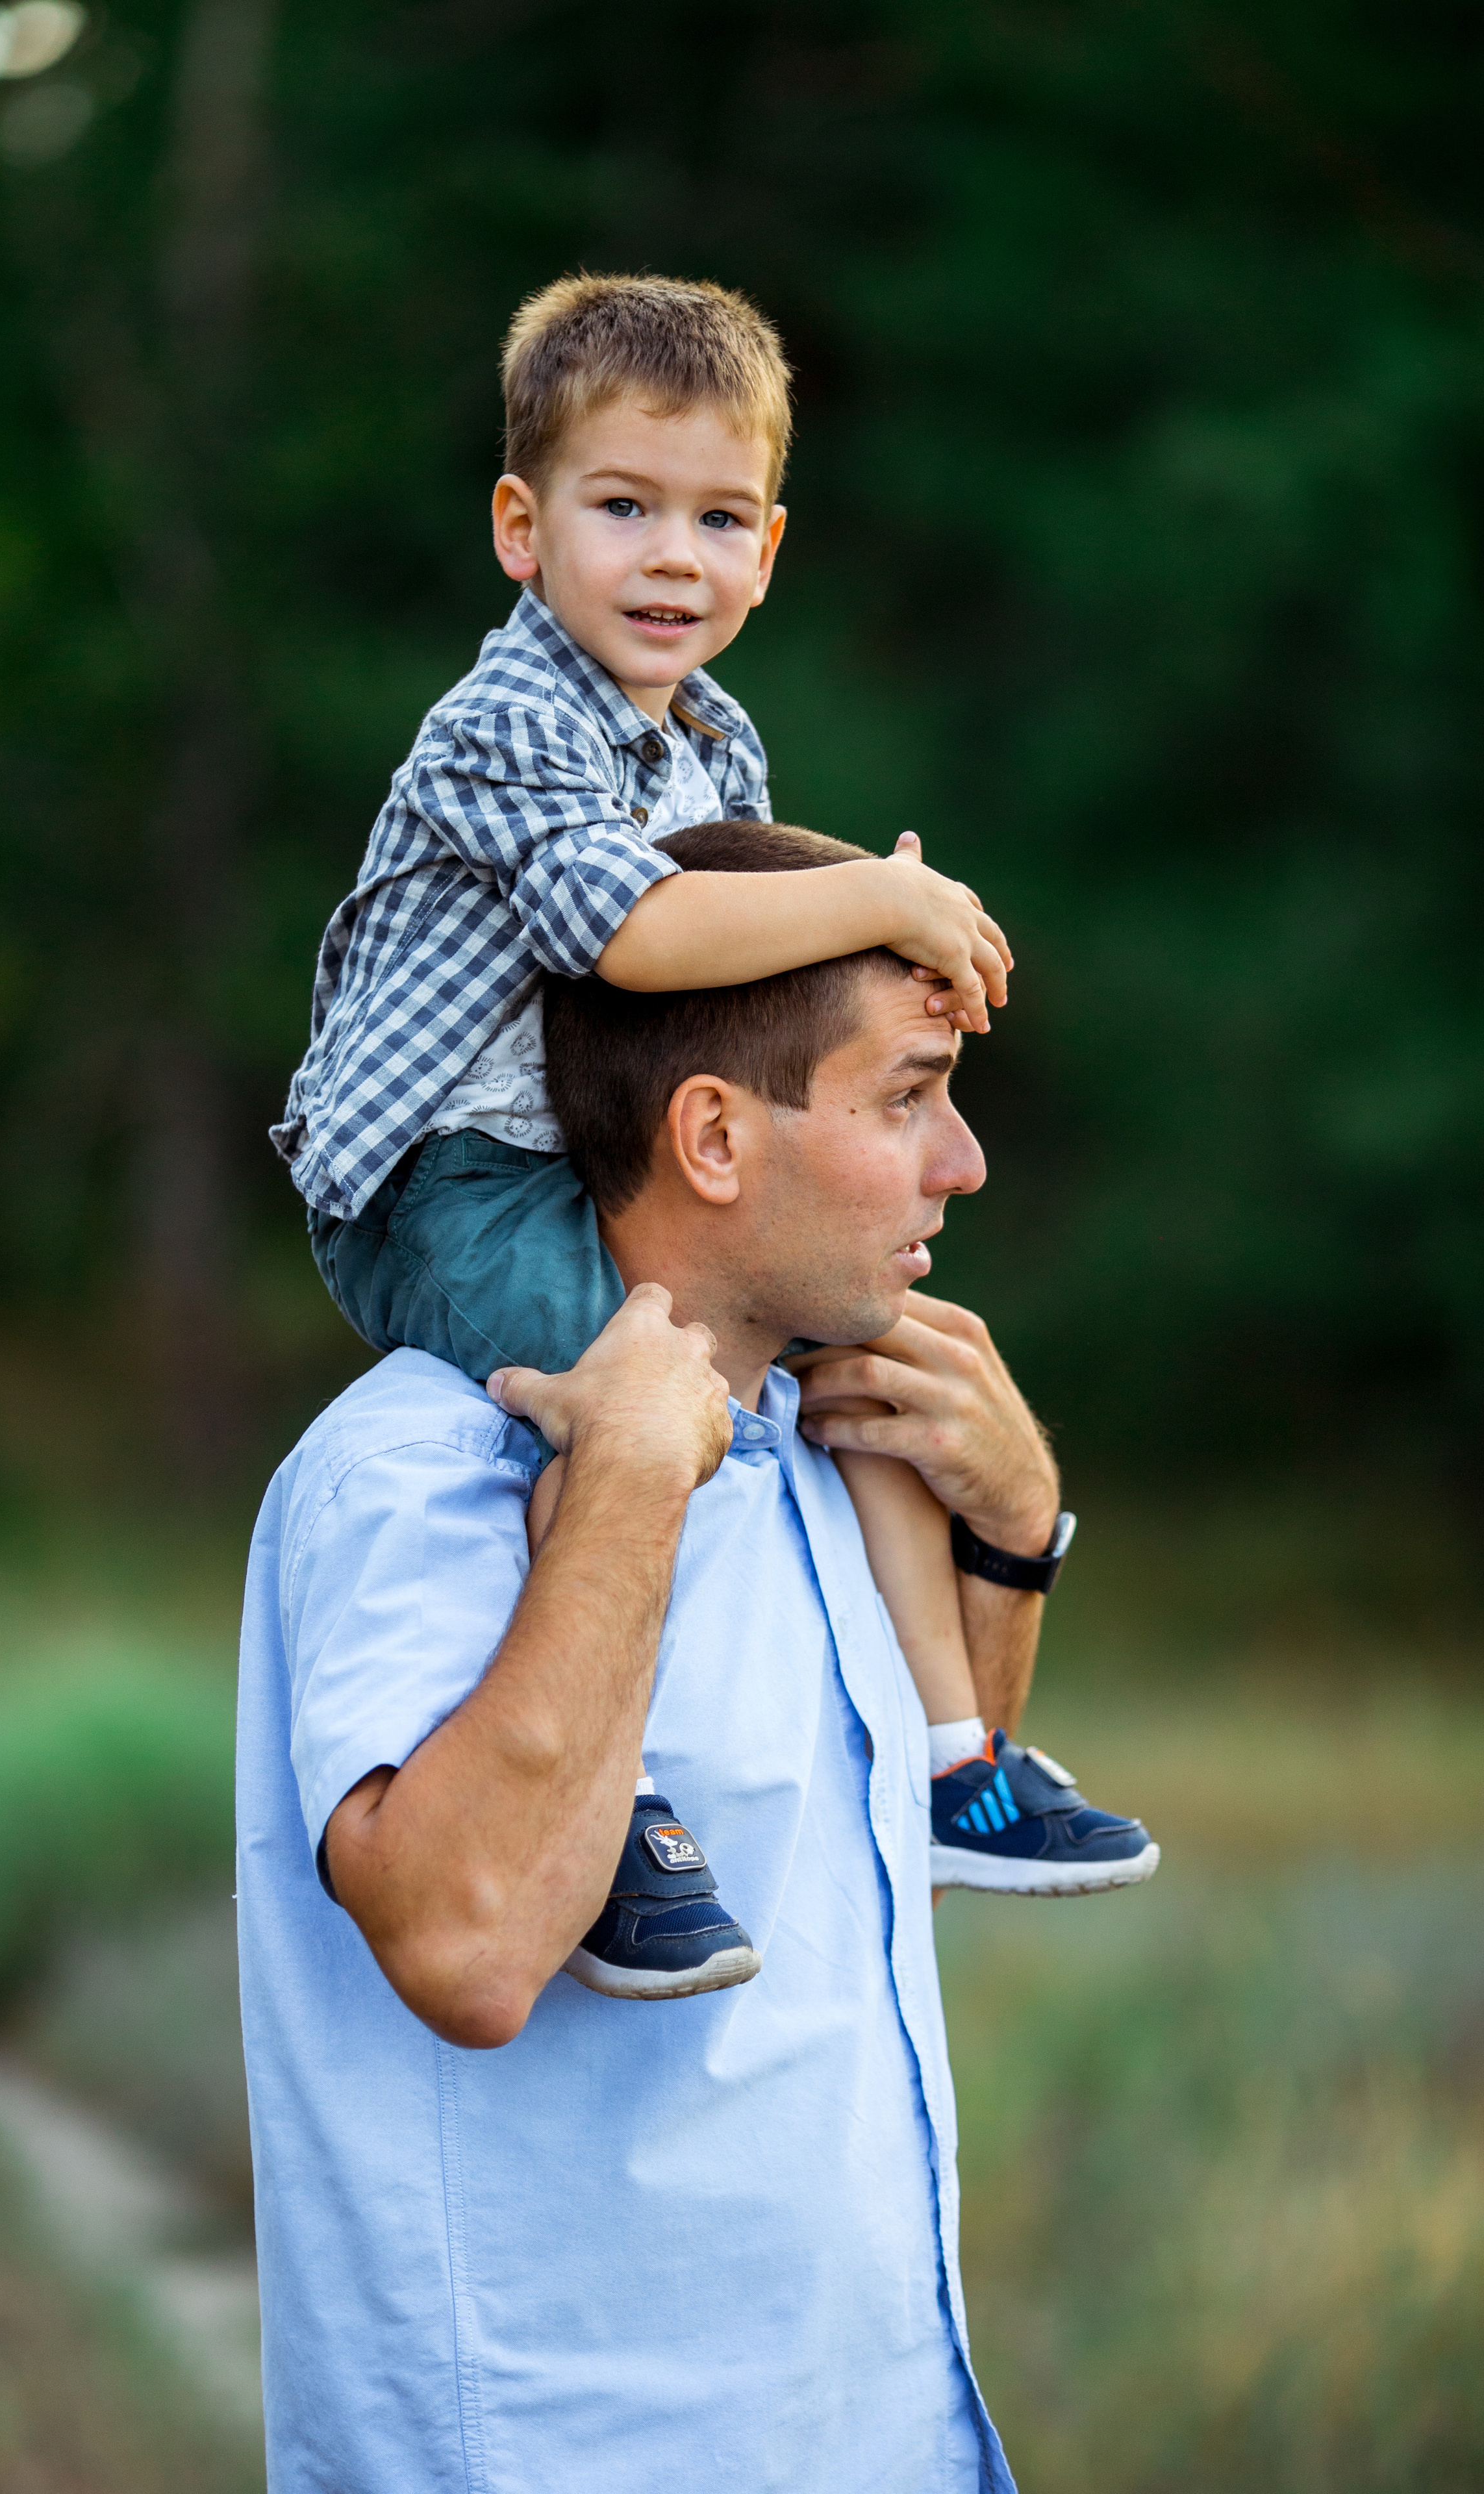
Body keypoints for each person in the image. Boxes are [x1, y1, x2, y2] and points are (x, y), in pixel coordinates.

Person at [236, 831, 1155, 2490]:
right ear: (714, 1136)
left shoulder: (816, 1452)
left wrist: (1009, 1538)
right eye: (906, 1097)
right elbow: (467, 1949)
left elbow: (870, 1861)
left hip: (881, 2432)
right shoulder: (419, 1474)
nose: (961, 1163)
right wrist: (632, 1489)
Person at [271, 271, 1148, 1995]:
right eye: (624, 508)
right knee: (637, 1395)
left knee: (863, 1358)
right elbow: (638, 940)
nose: (675, 555)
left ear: (771, 546)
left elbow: (748, 994)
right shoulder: (501, 725)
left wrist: (873, 954)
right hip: (442, 1171)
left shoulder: (718, 742)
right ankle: (614, 1815)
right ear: (522, 529)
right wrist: (878, 891)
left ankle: (959, 1762)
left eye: (720, 517)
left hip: (601, 1150)